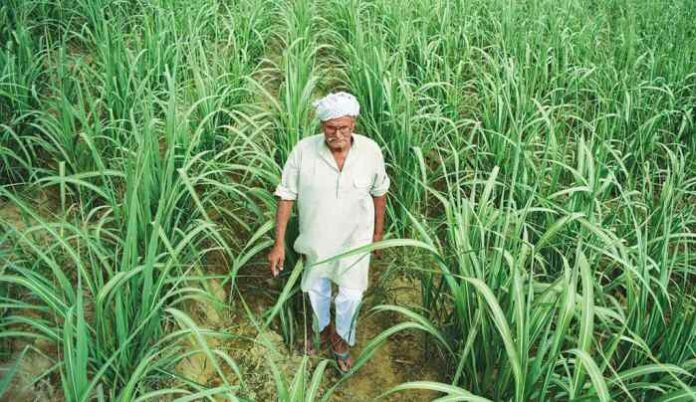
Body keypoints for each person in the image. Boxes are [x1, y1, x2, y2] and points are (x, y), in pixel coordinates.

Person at [267, 91, 389, 374]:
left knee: (351, 295)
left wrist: (378, 234)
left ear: (353, 124)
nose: (337, 134)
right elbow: (286, 195)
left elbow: (379, 192)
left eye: (343, 128)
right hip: (317, 239)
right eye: (330, 128)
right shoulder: (303, 150)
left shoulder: (370, 152)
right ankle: (321, 332)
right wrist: (278, 244)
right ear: (321, 126)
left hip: (355, 241)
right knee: (315, 290)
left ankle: (342, 341)